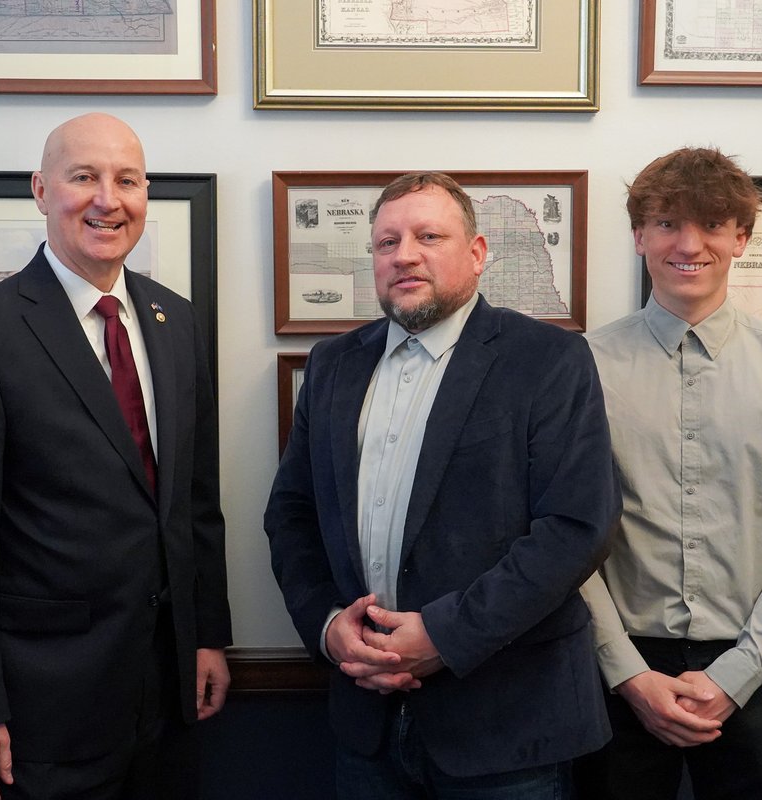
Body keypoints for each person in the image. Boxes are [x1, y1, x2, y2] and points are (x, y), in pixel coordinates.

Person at [264, 172, 620, 798]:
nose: (404, 254)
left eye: (429, 235)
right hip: (365, 719)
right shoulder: (332, 365)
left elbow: (575, 529)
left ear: (478, 254)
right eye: (386, 242)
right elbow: (292, 514)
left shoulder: (547, 359)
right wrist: (327, 628)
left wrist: (443, 636)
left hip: (506, 729)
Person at [0, 113, 231, 800]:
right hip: (41, 711)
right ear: (40, 189)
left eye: (127, 180)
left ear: (147, 195)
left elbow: (194, 504)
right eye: (83, 176)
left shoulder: (175, 325)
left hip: (168, 700)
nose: (106, 199)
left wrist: (206, 637)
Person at [573, 147, 762, 799]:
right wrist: (628, 674)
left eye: (712, 224)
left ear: (741, 238)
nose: (688, 244)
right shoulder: (579, 368)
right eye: (668, 223)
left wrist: (735, 676)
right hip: (615, 672)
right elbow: (564, 537)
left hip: (756, 667)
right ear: (640, 235)